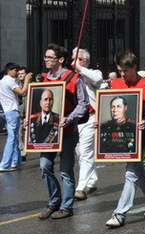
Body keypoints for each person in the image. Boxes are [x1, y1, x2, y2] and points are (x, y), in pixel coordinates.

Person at [104, 52, 145, 228]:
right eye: (120, 71)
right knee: (138, 172)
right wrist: (99, 121)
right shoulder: (115, 84)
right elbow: (107, 107)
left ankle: (120, 213)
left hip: (143, 137)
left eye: (126, 71)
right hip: (123, 137)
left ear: (134, 67)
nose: (122, 74)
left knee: (131, 173)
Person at [35, 44, 90, 220]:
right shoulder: (43, 79)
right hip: (47, 132)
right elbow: (36, 104)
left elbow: (83, 104)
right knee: (44, 166)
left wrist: (69, 118)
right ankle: (54, 202)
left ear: (61, 59)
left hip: (68, 131)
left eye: (50, 57)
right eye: (45, 57)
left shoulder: (74, 78)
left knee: (66, 170)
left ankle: (66, 206)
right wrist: (30, 119)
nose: (46, 60)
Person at [72, 48, 102, 199]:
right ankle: (92, 180)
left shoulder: (93, 73)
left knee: (85, 152)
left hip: (90, 118)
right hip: (74, 120)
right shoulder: (71, 76)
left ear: (86, 61)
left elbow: (97, 80)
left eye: (78, 59)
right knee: (79, 153)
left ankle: (81, 187)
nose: (74, 62)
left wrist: (80, 69)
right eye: (73, 59)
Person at [0, 63, 32, 172]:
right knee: (12, 138)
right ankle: (4, 164)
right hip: (12, 111)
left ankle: (15, 161)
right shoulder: (9, 80)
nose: (17, 73)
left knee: (15, 136)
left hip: (8, 110)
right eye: (16, 70)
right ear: (9, 70)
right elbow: (22, 92)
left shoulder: (3, 81)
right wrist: (27, 79)